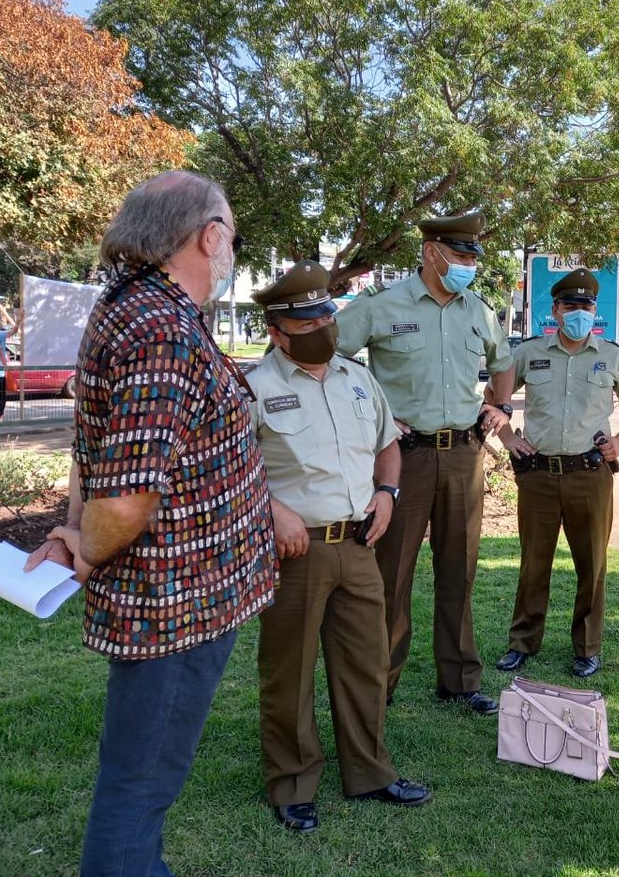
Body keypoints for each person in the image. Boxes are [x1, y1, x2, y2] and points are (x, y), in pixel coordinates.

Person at [24, 170, 278, 876]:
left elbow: (97, 448)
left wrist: (78, 530)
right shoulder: (162, 329)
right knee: (138, 788)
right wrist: (84, 542)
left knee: (140, 782)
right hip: (172, 607)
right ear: (209, 235)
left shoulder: (140, 307)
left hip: (182, 598)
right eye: (231, 232)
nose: (232, 249)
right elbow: (128, 499)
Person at [248, 261, 432, 832]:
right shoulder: (255, 389)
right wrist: (273, 510)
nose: (324, 328)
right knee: (290, 670)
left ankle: (371, 771)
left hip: (358, 545)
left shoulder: (357, 378)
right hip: (296, 552)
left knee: (366, 663)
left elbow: (387, 444)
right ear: (277, 331)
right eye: (308, 323)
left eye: (326, 315)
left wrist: (387, 492)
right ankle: (293, 782)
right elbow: (230, 470)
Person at [335, 211, 513, 714]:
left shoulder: (478, 310)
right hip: (402, 459)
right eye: (459, 256)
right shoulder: (381, 306)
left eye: (471, 258)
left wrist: (498, 406)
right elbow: (330, 358)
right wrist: (370, 418)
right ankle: (380, 681)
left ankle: (459, 680)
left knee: (459, 569)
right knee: (391, 573)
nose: (467, 266)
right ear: (431, 252)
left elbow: (503, 364)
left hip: (463, 455)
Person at [493, 268, 619, 678]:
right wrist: (509, 439)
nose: (580, 313)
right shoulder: (528, 352)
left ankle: (587, 647)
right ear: (557, 310)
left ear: (594, 311)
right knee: (533, 563)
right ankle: (523, 642)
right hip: (539, 474)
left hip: (590, 473)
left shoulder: (612, 357)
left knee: (592, 564)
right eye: (572, 306)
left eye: (587, 306)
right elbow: (495, 398)